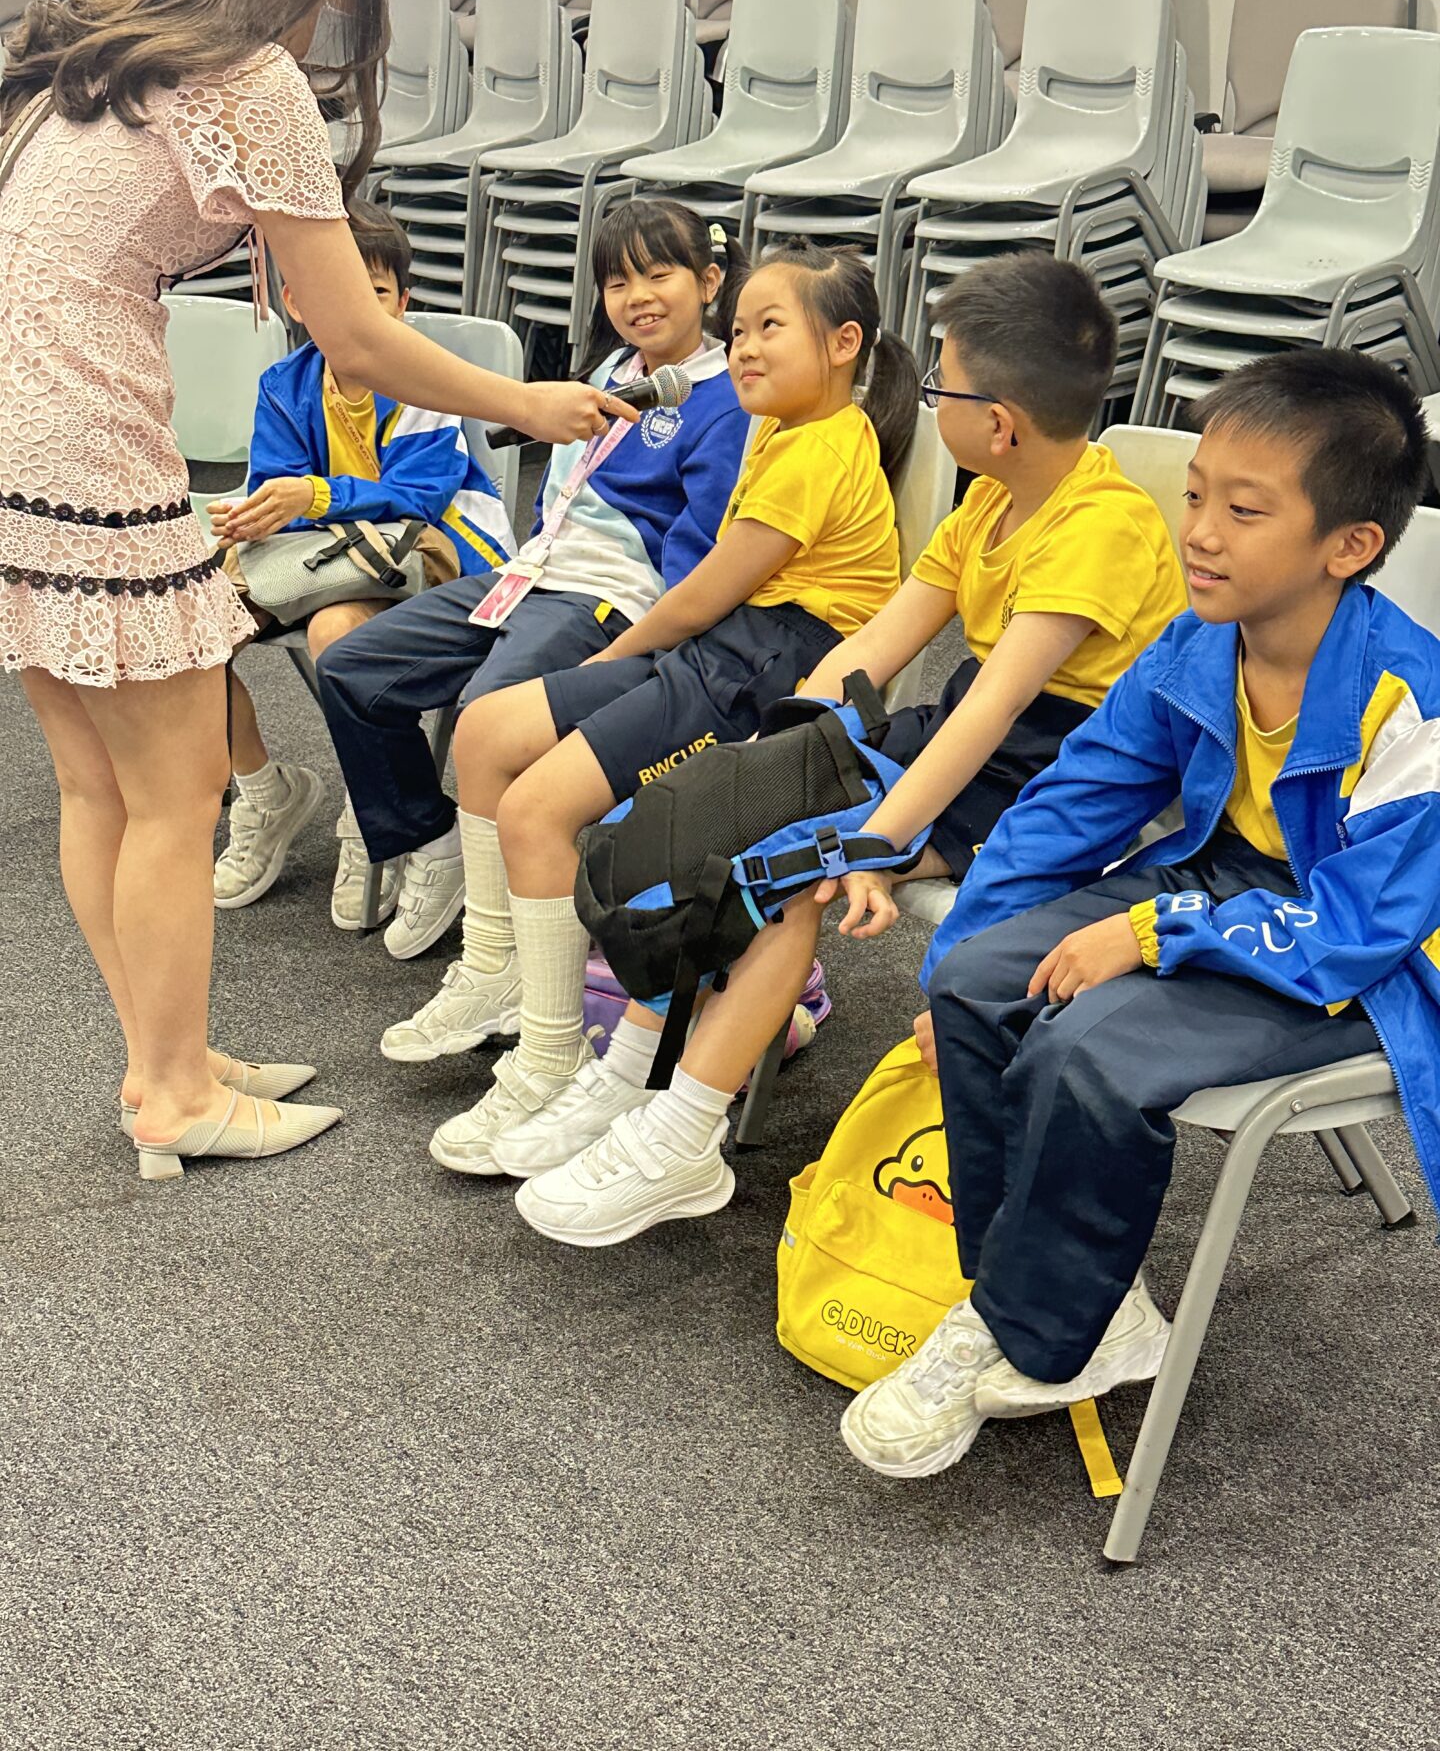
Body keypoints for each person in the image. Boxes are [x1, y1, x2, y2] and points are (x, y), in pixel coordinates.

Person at [0, 0, 632, 1183]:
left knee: (98, 787)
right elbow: (355, 335)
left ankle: (158, 1059)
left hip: (14, 446)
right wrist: (527, 403)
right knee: (176, 795)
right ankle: (175, 1092)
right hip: (91, 446)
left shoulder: (98, 50)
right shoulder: (249, 77)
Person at [838, 348, 1440, 1479]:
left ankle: (1035, 1328)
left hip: (1362, 950)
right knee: (976, 982)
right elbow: (1070, 805)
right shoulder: (1199, 643)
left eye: (1243, 511)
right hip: (1233, 883)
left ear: (1350, 546)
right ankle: (1066, 1302)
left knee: (1087, 1050)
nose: (1198, 532)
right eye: (1196, 494)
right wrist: (957, 963)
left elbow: (1363, 926)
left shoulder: (1415, 702)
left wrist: (1152, 934)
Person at [506, 253, 1190, 1246]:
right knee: (724, 810)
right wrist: (774, 746)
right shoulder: (993, 498)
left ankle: (684, 1134)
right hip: (965, 728)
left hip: (1053, 768)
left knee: (788, 871)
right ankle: (632, 1075)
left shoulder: (1102, 526)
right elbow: (879, 646)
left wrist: (876, 841)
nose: (929, 398)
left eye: (945, 384)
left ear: (999, 424)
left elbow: (994, 715)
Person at [419, 241, 920, 1189]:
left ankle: (547, 1054)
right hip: (722, 648)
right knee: (485, 731)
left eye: (770, 328)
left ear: (844, 343)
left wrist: (611, 661)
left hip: (766, 671)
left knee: (535, 808)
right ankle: (494, 972)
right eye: (741, 331)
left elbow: (705, 597)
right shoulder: (785, 427)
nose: (745, 348)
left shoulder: (818, 446)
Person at [317, 195, 752, 956]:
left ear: (709, 282)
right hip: (527, 575)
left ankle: (500, 939)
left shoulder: (724, 401)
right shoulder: (610, 371)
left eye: (659, 276)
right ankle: (435, 839)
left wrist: (663, 651)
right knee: (350, 668)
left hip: (606, 596)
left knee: (486, 716)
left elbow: (701, 556)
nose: (638, 297)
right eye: (618, 282)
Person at [209, 199, 516, 921]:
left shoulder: (420, 377)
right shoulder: (284, 384)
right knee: (191, 632)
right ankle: (264, 791)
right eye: (331, 290)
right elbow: (279, 490)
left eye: (373, 292)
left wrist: (313, 495)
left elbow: (419, 496)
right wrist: (262, 511)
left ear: (403, 303)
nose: (352, 307)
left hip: (436, 547)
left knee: (336, 635)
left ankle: (366, 811)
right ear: (295, 300)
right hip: (331, 556)